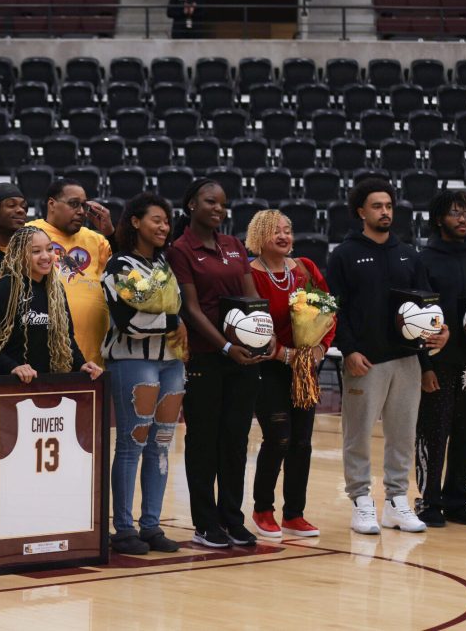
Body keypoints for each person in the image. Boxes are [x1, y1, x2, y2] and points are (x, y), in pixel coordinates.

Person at [326, 178, 447, 535]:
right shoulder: (345, 254)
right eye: (377, 206)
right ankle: (361, 501)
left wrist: (428, 359)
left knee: (402, 434)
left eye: (389, 206)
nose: (384, 212)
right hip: (366, 361)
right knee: (358, 435)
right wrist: (348, 350)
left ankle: (397, 502)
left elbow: (426, 308)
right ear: (361, 211)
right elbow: (336, 309)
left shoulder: (408, 253)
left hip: (407, 361)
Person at [167, 178, 271, 549]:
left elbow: (252, 296)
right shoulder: (180, 249)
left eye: (222, 204)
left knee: (235, 440)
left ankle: (232, 518)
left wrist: (266, 332)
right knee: (203, 442)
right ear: (191, 205)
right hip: (207, 358)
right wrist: (226, 347)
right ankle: (205, 523)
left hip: (244, 357)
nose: (218, 209)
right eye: (210, 202)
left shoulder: (233, 246)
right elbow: (191, 309)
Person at [100, 193, 186, 556]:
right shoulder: (117, 266)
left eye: (166, 221)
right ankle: (123, 527)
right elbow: (128, 322)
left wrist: (175, 326)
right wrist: (173, 322)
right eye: (156, 219)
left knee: (162, 443)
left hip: (172, 363)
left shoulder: (165, 264)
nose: (163, 227)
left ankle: (151, 524)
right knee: (132, 443)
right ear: (135, 222)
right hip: (133, 360)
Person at [244, 210, 335, 539]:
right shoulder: (250, 274)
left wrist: (320, 349)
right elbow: (252, 322)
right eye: (274, 231)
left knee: (302, 443)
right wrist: (282, 353)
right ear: (258, 236)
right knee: (278, 438)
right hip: (267, 368)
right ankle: (262, 509)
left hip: (304, 368)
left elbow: (326, 311)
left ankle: (294, 513)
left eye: (287, 230)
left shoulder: (305, 268)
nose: (284, 236)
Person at [415, 191, 466, 527]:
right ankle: (427, 501)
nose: (463, 219)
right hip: (438, 362)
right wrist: (424, 366)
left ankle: (459, 499)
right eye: (456, 213)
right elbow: (415, 318)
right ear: (438, 219)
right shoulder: (424, 260)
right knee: (434, 432)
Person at [0, 224, 102, 383]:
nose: (46, 256)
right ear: (19, 255)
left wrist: (81, 365)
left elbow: (66, 337)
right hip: (10, 386)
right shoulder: (3, 289)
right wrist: (12, 368)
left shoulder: (55, 290)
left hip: (48, 383)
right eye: (36, 251)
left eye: (49, 249)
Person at [29, 179, 114, 367]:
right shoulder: (29, 233)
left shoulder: (96, 240)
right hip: (43, 357)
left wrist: (111, 234)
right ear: (52, 204)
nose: (81, 211)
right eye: (74, 204)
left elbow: (124, 274)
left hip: (93, 357)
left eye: (84, 206)